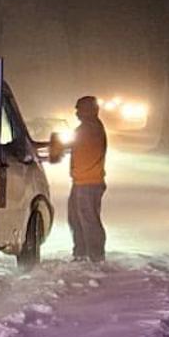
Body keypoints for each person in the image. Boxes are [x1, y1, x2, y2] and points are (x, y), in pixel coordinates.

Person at [60, 95, 109, 262]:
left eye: (79, 109)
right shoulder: (89, 128)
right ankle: (81, 252)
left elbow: (71, 145)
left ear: (88, 110)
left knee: (88, 221)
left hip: (88, 182)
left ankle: (95, 255)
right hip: (83, 181)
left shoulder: (90, 129)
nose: (76, 113)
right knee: (76, 219)